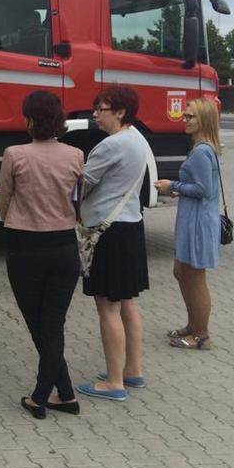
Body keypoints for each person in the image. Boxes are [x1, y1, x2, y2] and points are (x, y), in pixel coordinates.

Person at [0, 90, 84, 419]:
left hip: (25, 246)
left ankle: (39, 396)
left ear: (29, 119)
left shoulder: (15, 154)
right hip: (64, 246)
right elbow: (79, 203)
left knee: (39, 325)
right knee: (53, 324)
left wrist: (17, 218)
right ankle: (65, 394)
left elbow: (4, 202)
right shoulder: (76, 155)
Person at [76, 84, 150, 402]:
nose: (95, 115)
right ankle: (132, 370)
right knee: (127, 303)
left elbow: (82, 185)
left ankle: (114, 382)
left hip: (107, 232)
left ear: (120, 112)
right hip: (130, 228)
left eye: (101, 109)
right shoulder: (137, 139)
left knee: (107, 307)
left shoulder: (110, 146)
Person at [154, 97, 223, 351]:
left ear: (204, 119)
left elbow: (204, 189)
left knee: (195, 278)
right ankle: (193, 325)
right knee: (181, 272)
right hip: (191, 220)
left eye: (190, 116)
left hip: (198, 223)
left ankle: (202, 335)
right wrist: (178, 189)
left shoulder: (203, 151)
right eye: (185, 115)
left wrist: (172, 186)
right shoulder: (202, 148)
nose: (185, 119)